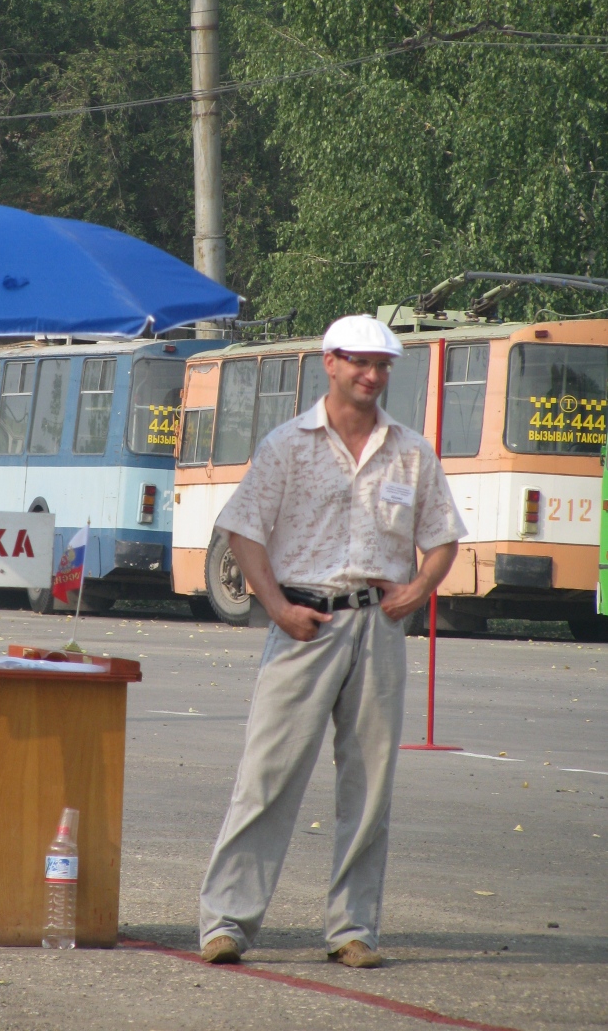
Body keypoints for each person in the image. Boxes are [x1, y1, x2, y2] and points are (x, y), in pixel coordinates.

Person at [199, 314, 466, 969]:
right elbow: (242, 530)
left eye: (381, 366)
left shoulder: (410, 451)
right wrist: (275, 607)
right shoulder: (288, 445)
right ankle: (226, 921)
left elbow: (442, 537)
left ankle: (352, 930)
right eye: (358, 363)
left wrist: (418, 589)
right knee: (266, 776)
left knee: (368, 787)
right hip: (304, 625)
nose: (370, 376)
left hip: (378, 626)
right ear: (329, 362)